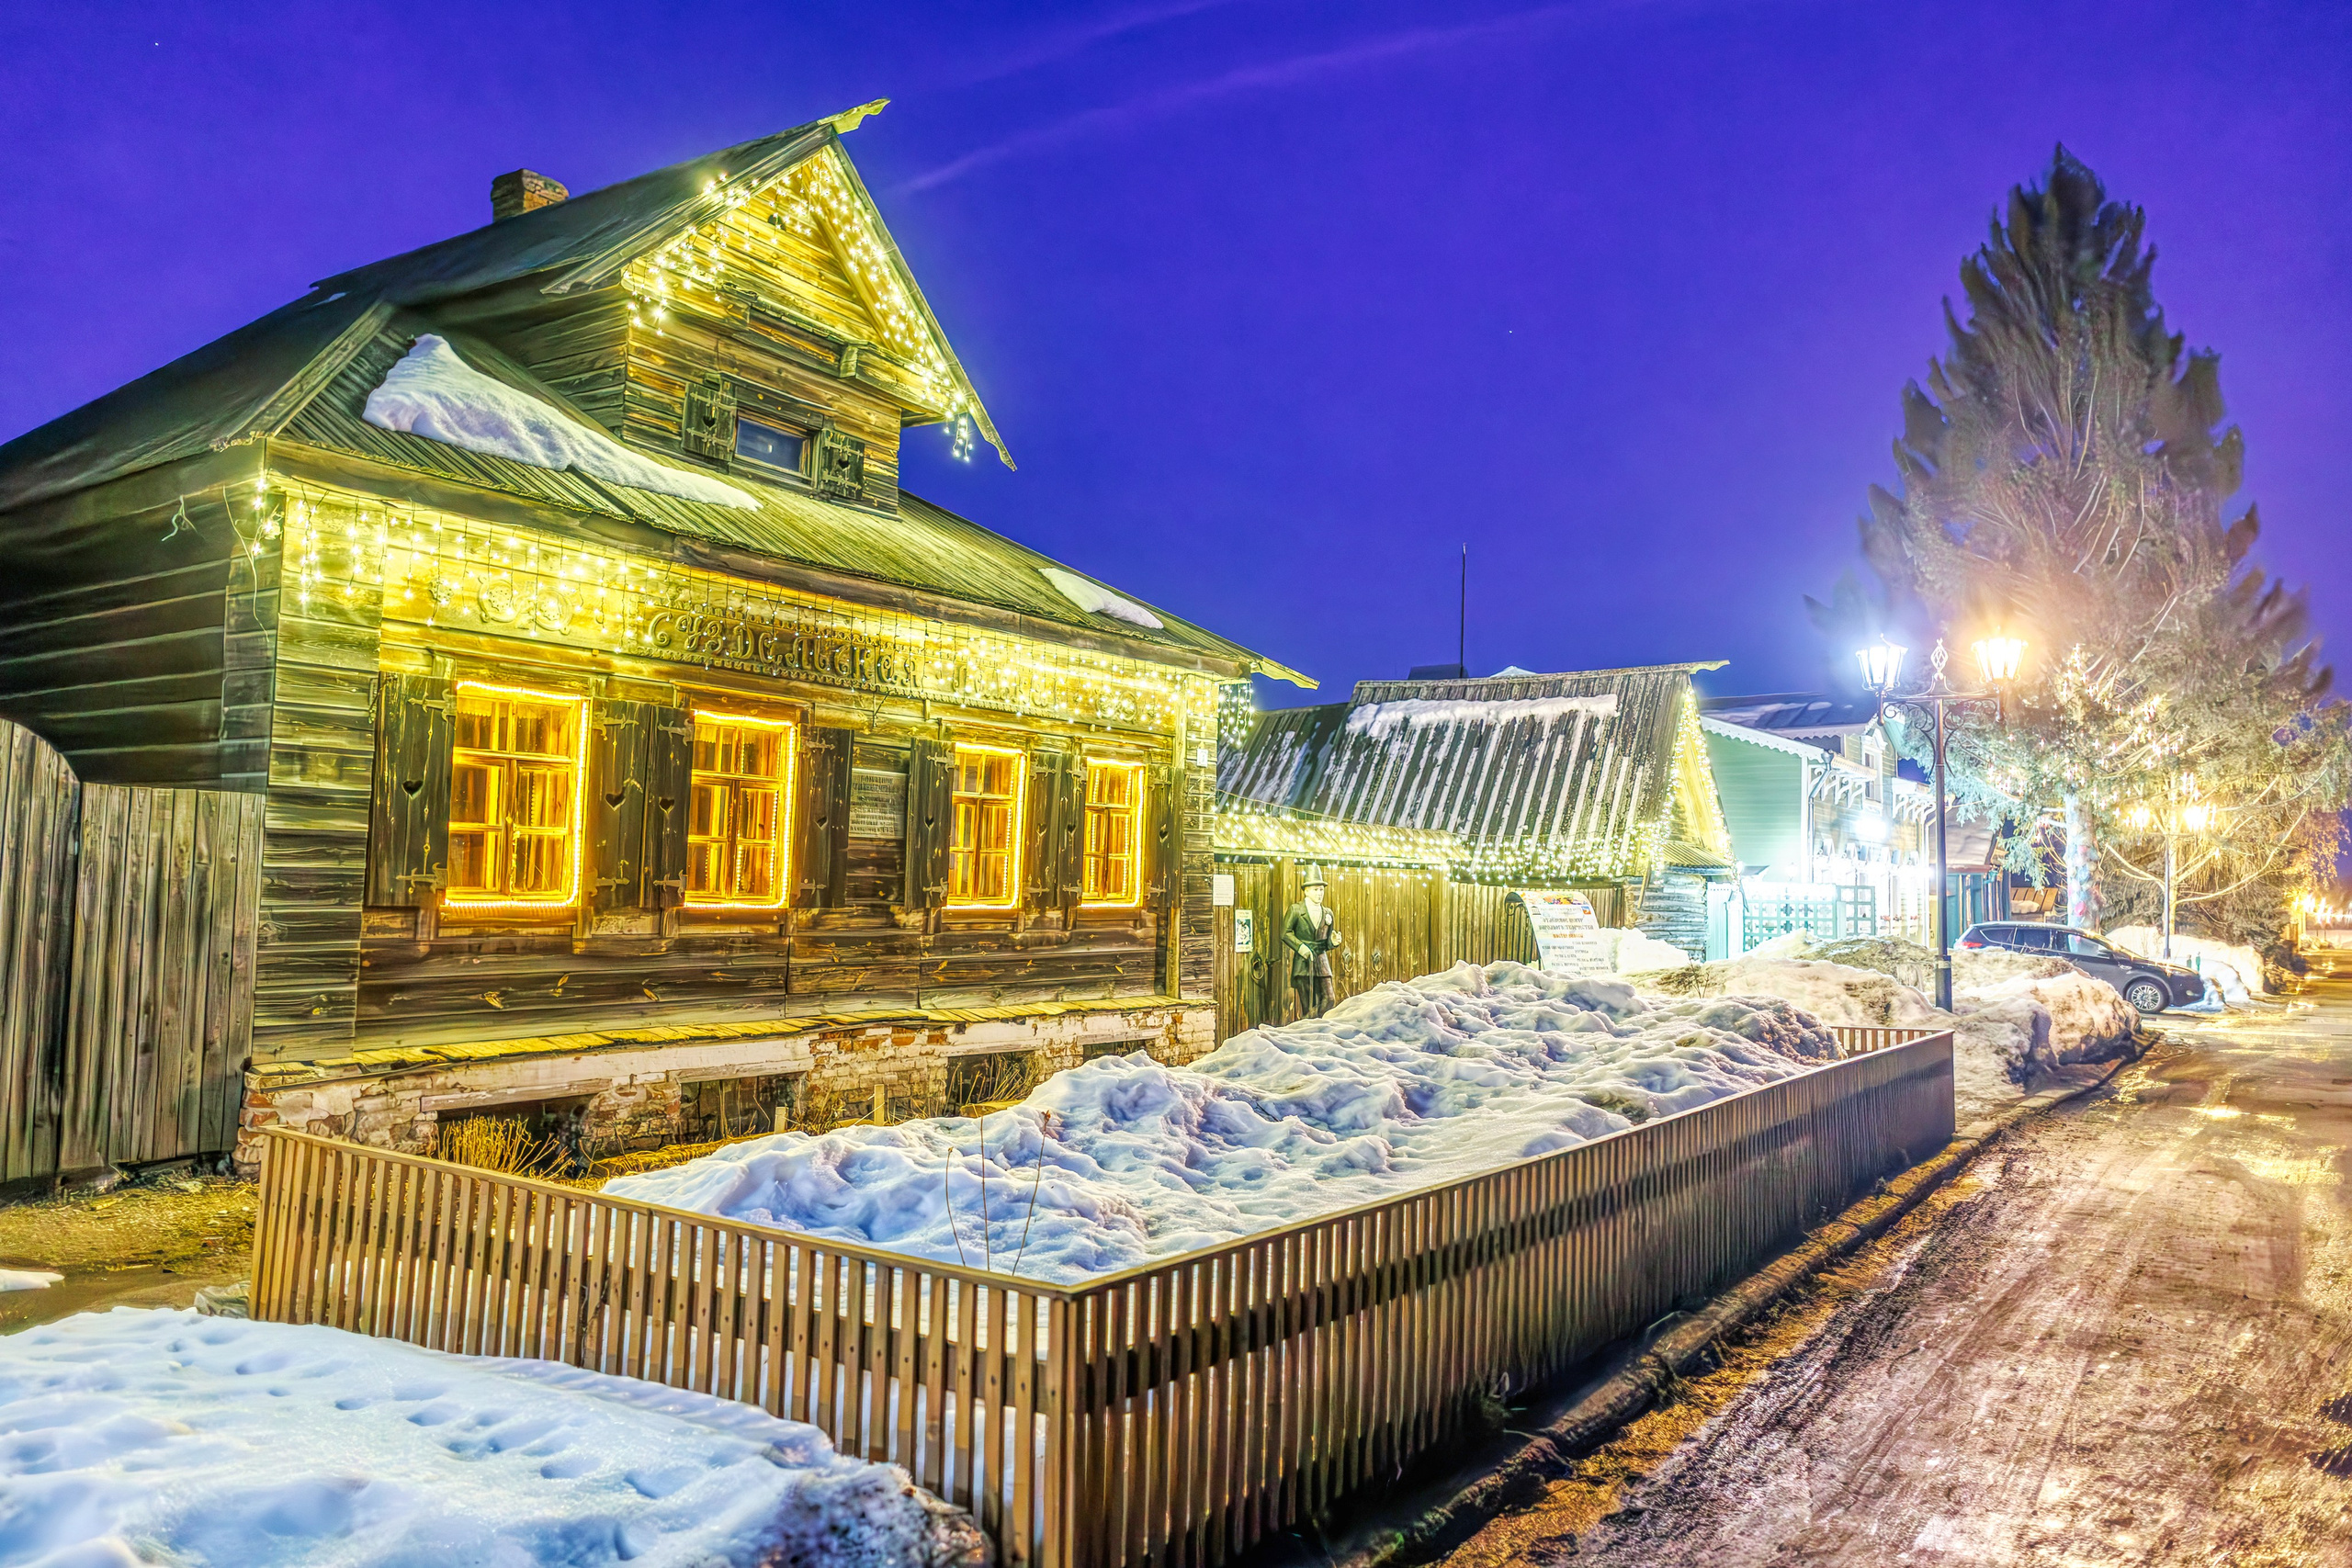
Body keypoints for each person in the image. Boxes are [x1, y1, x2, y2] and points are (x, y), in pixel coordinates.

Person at [1283, 866, 1344, 1019]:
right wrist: (1301, 948)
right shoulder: (1296, 910)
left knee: (1329, 999)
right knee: (1309, 1004)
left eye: (1321, 890)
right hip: (1303, 964)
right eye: (1316, 890)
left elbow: (1325, 942)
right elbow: (1286, 933)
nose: (1319, 893)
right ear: (1306, 891)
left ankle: (1311, 1024)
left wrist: (1332, 942)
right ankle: (1310, 1027)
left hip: (1322, 962)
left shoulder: (1328, 913)